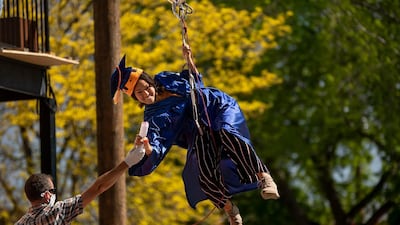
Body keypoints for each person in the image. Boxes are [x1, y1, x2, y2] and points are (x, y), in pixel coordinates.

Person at [110, 45, 280, 225]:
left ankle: (264, 178)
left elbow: (194, 80)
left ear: (150, 82)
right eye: (139, 93)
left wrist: (188, 58)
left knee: (227, 133)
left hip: (216, 107)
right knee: (203, 173)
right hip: (198, 127)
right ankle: (229, 209)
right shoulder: (153, 117)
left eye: (146, 88)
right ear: (135, 97)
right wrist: (147, 146)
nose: (145, 94)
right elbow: (156, 143)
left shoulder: (165, 78)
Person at [14, 136, 149, 225]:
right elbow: (98, 187)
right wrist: (127, 162)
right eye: (53, 190)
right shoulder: (54, 213)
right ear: (47, 195)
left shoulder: (20, 223)